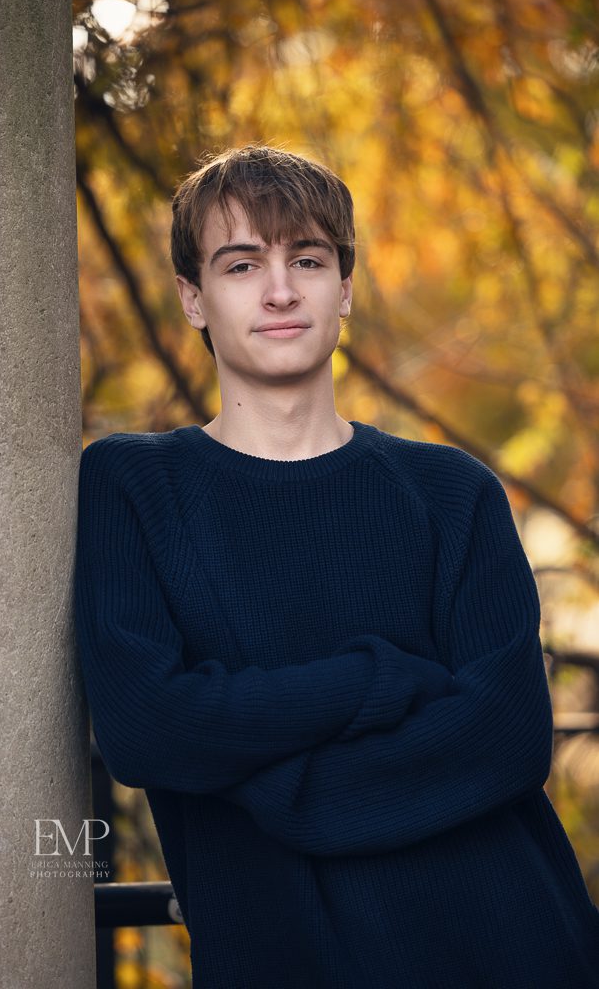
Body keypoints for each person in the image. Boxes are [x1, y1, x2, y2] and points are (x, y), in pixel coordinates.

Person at [74, 145, 599, 988]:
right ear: (191, 298)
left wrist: (276, 787)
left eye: (307, 260)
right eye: (241, 264)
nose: (279, 290)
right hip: (283, 954)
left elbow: (506, 738)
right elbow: (146, 728)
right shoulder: (134, 486)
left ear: (344, 290)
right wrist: (379, 680)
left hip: (507, 941)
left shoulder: (450, 492)